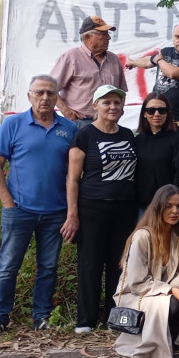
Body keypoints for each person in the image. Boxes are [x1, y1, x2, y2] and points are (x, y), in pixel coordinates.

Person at [0, 75, 77, 339]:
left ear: (57, 97)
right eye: (40, 93)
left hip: (55, 212)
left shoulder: (69, 129)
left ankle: (42, 317)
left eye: (50, 93)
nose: (45, 98)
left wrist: (71, 212)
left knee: (48, 267)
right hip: (19, 210)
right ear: (30, 96)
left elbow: (73, 175)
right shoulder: (13, 124)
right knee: (8, 266)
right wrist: (7, 203)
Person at [66, 84, 138, 333]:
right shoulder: (84, 136)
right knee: (90, 263)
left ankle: (114, 317)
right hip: (92, 208)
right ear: (95, 106)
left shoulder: (128, 135)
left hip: (124, 210)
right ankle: (86, 320)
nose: (112, 107)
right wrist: (72, 214)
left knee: (119, 264)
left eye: (117, 102)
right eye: (106, 102)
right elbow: (73, 179)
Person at [112, 185, 179, 358]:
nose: (175, 211)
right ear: (158, 207)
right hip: (136, 294)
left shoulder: (178, 235)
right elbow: (136, 282)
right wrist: (171, 290)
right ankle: (154, 342)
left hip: (160, 292)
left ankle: (170, 339)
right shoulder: (142, 236)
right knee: (175, 303)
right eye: (169, 206)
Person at [124, 24, 179, 135]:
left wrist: (159, 61)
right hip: (158, 118)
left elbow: (173, 73)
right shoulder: (166, 52)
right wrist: (133, 63)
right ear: (172, 37)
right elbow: (149, 61)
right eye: (177, 36)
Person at [51, 16, 127, 127]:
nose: (108, 38)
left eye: (108, 34)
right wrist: (66, 112)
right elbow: (50, 88)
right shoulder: (71, 57)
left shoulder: (113, 59)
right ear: (88, 37)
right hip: (80, 122)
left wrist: (119, 111)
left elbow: (121, 91)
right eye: (103, 34)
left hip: (108, 123)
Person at [134, 93, 179, 212]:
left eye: (162, 110)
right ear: (144, 113)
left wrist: (174, 205)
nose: (156, 114)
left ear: (168, 113)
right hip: (141, 207)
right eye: (151, 110)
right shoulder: (138, 140)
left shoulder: (178, 140)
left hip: (167, 207)